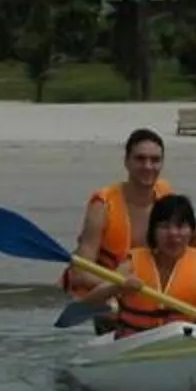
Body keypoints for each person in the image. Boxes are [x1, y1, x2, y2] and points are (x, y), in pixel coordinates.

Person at [100, 192, 196, 337]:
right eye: (164, 226)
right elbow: (91, 300)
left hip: (181, 343)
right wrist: (116, 287)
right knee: (108, 310)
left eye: (180, 227)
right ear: (153, 232)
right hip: (134, 340)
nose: (173, 234)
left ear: (191, 232)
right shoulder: (130, 267)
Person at [64, 127, 174, 310]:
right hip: (109, 290)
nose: (148, 166)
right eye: (140, 159)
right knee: (112, 309)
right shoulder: (102, 206)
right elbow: (80, 273)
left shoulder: (166, 196)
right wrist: (120, 285)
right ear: (127, 162)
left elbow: (193, 248)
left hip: (151, 289)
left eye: (155, 160)